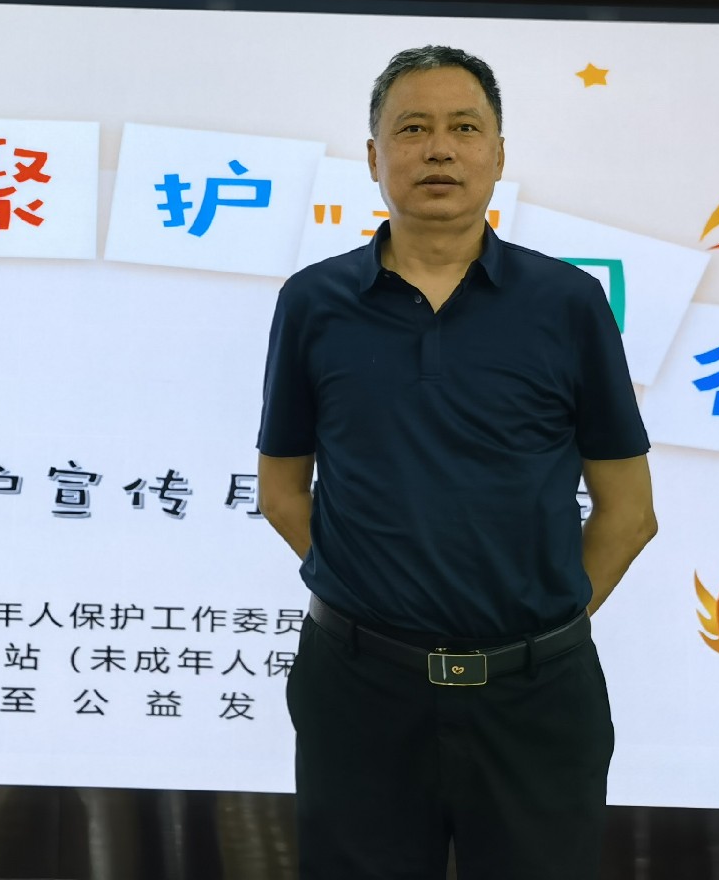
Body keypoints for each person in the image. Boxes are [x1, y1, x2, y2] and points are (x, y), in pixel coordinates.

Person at [257, 45, 657, 880]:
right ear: (374, 157)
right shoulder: (313, 302)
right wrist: (377, 592)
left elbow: (628, 513)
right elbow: (283, 490)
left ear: (498, 154)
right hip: (358, 689)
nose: (439, 149)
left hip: (538, 696)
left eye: (464, 129)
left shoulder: (567, 303)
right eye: (412, 129)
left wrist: (536, 624)